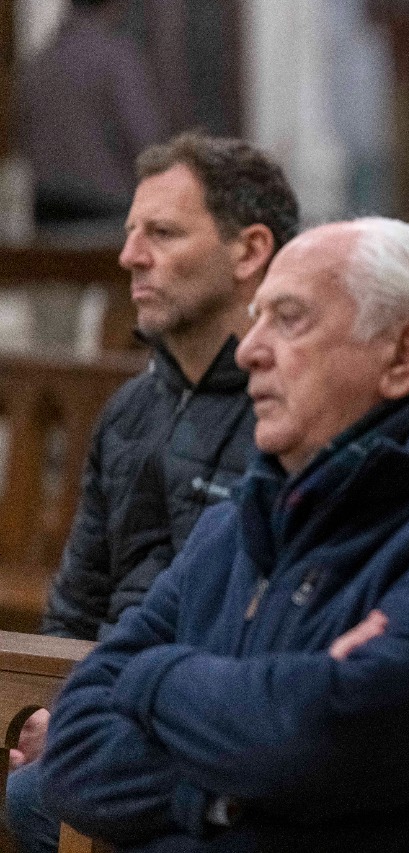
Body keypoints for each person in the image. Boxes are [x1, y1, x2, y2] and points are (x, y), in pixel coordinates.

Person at [37, 218, 409, 852]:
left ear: (403, 355)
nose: (248, 350)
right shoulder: (235, 527)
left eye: (289, 319)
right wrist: (233, 785)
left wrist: (154, 676)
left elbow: (316, 743)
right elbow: (74, 753)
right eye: (256, 319)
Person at [4, 132, 297, 853]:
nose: (130, 255)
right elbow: (77, 599)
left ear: (249, 251)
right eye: (132, 231)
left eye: (161, 233)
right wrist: (48, 708)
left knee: (40, 796)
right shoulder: (131, 410)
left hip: (211, 722)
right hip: (107, 708)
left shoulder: (293, 410)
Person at [17, 0, 169, 226]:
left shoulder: (39, 63)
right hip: (105, 212)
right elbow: (147, 141)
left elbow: (22, 141)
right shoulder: (117, 59)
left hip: (47, 212)